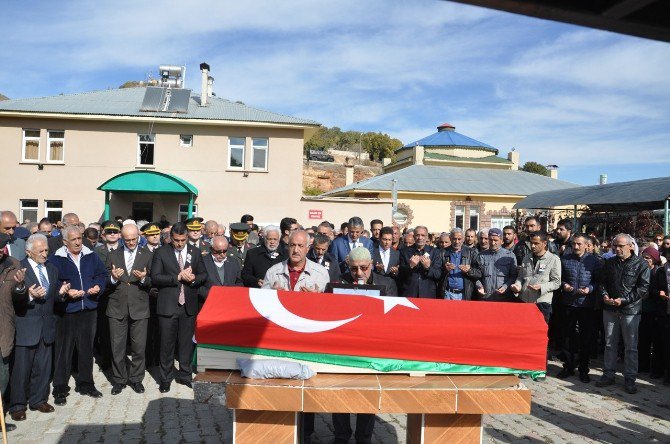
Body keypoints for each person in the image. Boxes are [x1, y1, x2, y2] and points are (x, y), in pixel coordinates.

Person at [331, 246, 397, 444]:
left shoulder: (387, 283)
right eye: (353, 269)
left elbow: (392, 316)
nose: (358, 273)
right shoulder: (339, 282)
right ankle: (341, 436)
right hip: (344, 346)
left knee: (366, 394)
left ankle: (364, 437)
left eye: (363, 268)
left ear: (371, 265)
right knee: (340, 392)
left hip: (372, 346)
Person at [9, 234, 65, 421]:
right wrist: (29, 295)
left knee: (43, 367)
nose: (44, 254)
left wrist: (61, 293)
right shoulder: (18, 268)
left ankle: (39, 399)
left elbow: (53, 295)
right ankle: (18, 405)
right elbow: (13, 299)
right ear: (28, 252)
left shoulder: (51, 268)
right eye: (40, 251)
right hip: (27, 325)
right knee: (22, 369)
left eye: (46, 250)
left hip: (47, 326)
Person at [50, 225, 108, 404]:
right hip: (67, 310)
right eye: (73, 239)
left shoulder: (90, 255)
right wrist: (66, 292)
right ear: (65, 241)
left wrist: (98, 286)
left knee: (86, 348)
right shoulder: (56, 259)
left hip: (88, 309)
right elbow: (53, 283)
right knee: (64, 350)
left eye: (79, 238)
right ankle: (60, 387)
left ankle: (85, 383)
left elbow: (102, 274)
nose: (78, 242)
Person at [151, 222, 207, 392]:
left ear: (187, 237)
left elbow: (204, 275)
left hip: (188, 306)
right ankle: (166, 378)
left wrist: (193, 279)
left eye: (183, 240)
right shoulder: (161, 252)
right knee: (166, 345)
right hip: (168, 306)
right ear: (171, 237)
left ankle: (184, 375)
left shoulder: (195, 252)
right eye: (176, 240)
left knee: (185, 344)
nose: (180, 243)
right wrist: (177, 277)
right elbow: (155, 277)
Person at [596, 233, 650, 394]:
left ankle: (630, 378)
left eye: (621, 246)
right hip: (610, 309)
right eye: (615, 246)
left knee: (630, 346)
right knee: (609, 343)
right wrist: (604, 295)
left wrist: (624, 300)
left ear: (631, 246)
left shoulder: (641, 264)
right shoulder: (610, 262)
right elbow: (602, 282)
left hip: (630, 311)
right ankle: (608, 374)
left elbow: (643, 288)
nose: (617, 249)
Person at [105, 224, 153, 396]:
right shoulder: (113, 254)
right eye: (127, 240)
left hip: (139, 306)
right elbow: (105, 281)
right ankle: (119, 380)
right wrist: (113, 277)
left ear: (139, 237)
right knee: (117, 346)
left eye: (134, 239)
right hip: (117, 306)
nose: (131, 242)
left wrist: (143, 279)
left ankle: (136, 379)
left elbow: (153, 282)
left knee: (139, 347)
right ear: (121, 238)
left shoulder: (147, 254)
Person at [557, 233, 601, 382]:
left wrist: (590, 288)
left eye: (579, 244)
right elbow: (559, 278)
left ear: (586, 245)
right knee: (568, 337)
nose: (575, 246)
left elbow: (598, 281)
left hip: (586, 304)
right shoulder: (565, 259)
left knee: (585, 338)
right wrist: (564, 285)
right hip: (568, 302)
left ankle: (583, 369)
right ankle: (568, 366)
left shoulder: (594, 261)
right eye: (573, 244)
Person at [510, 231, 561, 324]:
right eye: (531, 243)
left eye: (536, 243)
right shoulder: (527, 258)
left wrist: (541, 287)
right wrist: (517, 285)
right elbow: (521, 277)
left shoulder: (553, 259)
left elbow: (556, 282)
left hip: (541, 303)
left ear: (544, 243)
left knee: (539, 333)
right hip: (524, 301)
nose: (533, 246)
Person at [0, 233, 22, 432]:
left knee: (3, 375)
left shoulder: (13, 264)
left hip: (4, 328)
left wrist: (22, 286)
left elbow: (20, 300)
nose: (1, 250)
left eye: (2, 246)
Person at [262, 230, 330, 292]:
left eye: (300, 246)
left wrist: (316, 298)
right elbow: (262, 301)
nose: (295, 250)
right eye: (292, 245)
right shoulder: (273, 272)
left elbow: (329, 302)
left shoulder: (321, 273)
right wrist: (273, 294)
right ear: (288, 247)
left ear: (308, 248)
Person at [198, 235, 242, 309]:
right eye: (218, 252)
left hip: (229, 305)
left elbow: (239, 282)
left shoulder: (233, 262)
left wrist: (231, 294)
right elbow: (198, 285)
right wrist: (212, 296)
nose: (222, 254)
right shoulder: (202, 262)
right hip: (208, 305)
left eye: (225, 251)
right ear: (211, 249)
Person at [398, 226, 442, 298]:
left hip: (428, 293)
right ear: (414, 236)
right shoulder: (404, 251)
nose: (420, 238)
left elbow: (438, 274)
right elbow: (400, 274)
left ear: (427, 237)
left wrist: (428, 267)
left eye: (423, 235)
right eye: (417, 235)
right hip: (409, 293)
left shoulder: (435, 252)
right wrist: (410, 266)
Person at [638, 246, 662, 376]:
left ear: (654, 259)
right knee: (643, 340)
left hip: (655, 311)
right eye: (643, 257)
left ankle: (656, 369)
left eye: (648, 258)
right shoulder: (640, 271)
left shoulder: (658, 272)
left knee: (655, 341)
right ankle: (643, 365)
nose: (645, 260)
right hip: (642, 310)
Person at [438, 228, 481, 300]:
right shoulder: (443, 252)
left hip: (464, 293)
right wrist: (445, 269)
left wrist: (469, 270)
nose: (457, 241)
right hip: (447, 293)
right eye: (454, 239)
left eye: (459, 239)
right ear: (450, 239)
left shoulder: (472, 252)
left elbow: (479, 273)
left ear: (463, 239)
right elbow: (437, 273)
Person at [476, 228, 518, 301]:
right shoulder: (481, 256)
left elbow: (514, 276)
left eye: (495, 240)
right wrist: (479, 286)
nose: (492, 243)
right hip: (486, 297)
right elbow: (477, 276)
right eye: (490, 240)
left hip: (504, 298)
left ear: (501, 241)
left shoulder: (510, 256)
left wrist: (505, 287)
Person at [654, 250, 670, 385]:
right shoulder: (661, 271)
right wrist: (659, 292)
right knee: (663, 343)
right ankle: (662, 372)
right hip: (664, 311)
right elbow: (652, 289)